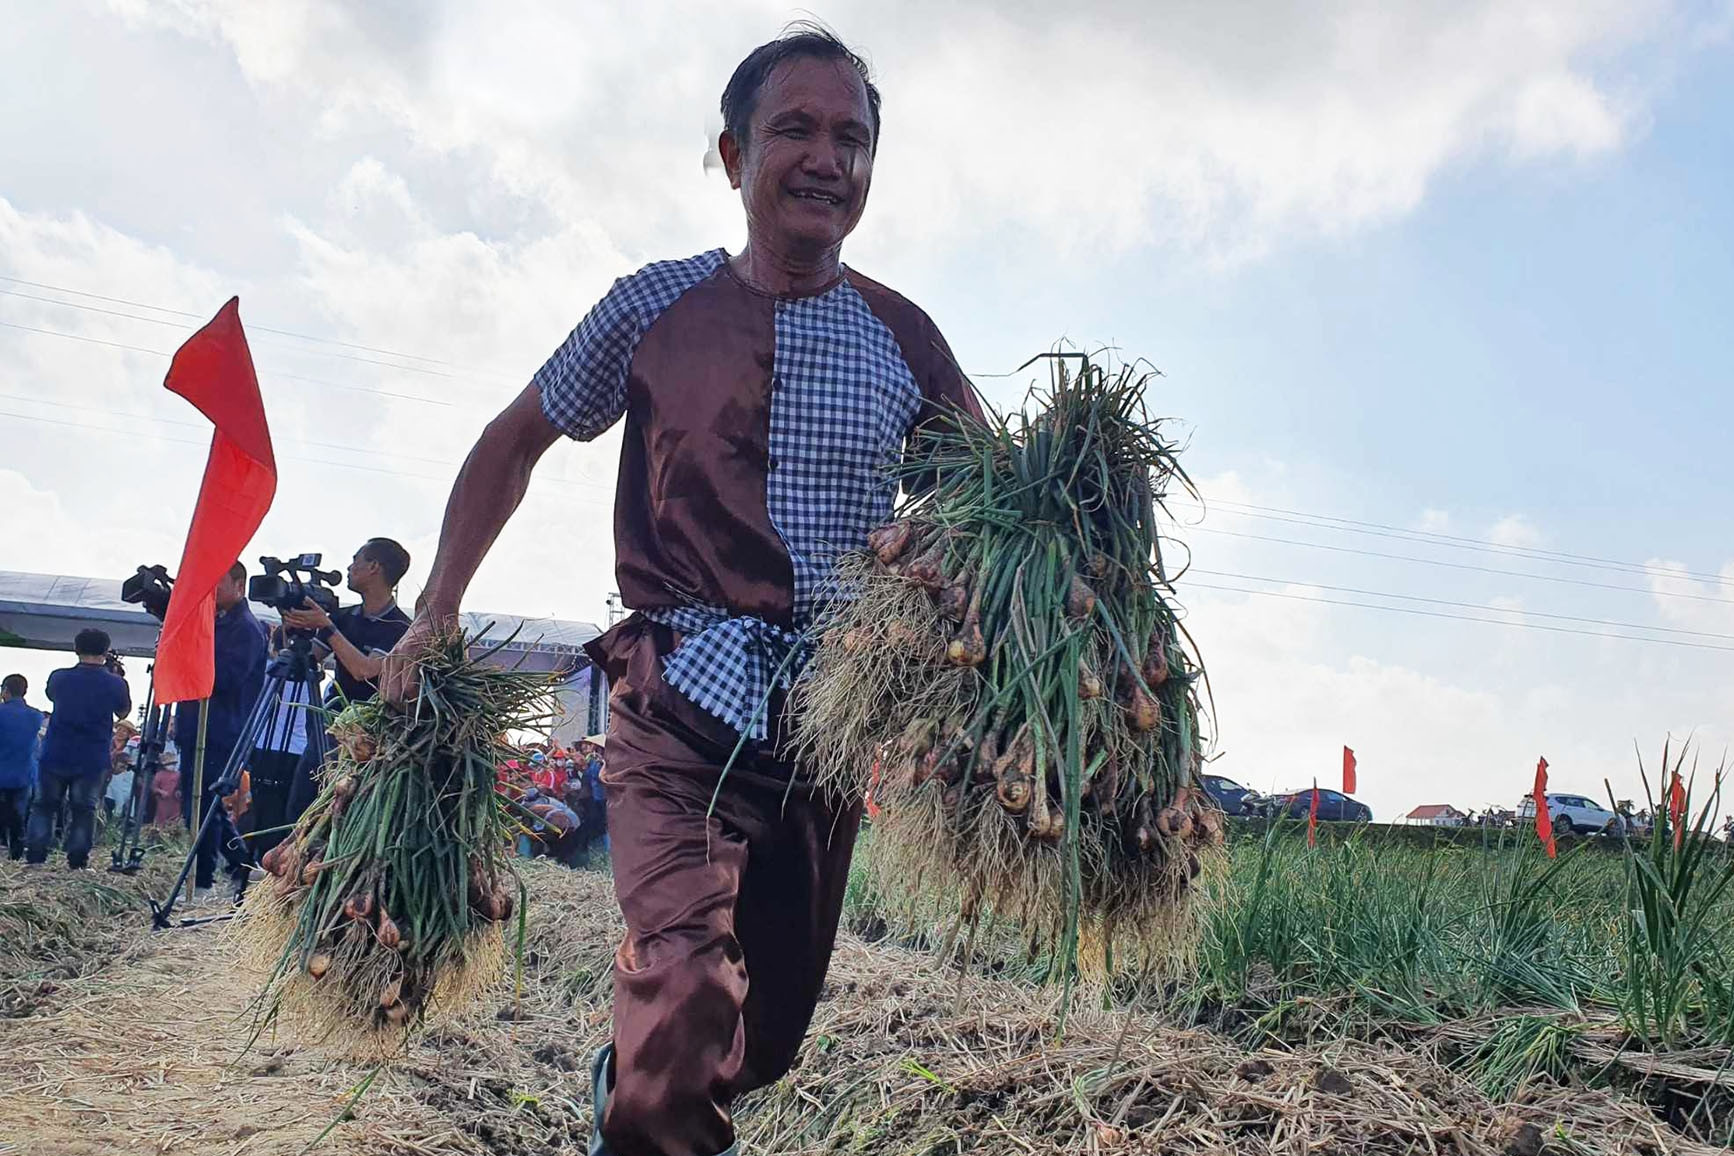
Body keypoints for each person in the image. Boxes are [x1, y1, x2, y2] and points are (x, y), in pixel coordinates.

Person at [383, 27, 981, 1156]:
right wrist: (437, 604)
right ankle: (649, 1094)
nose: (825, 159)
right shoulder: (656, 307)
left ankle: (638, 1082)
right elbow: (515, 440)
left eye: (851, 138)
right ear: (731, 154)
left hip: (824, 728)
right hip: (674, 708)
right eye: (794, 129)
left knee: (763, 1038)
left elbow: (984, 511)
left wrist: (951, 548)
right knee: (688, 982)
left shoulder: (905, 339)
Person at [281, 538, 412, 819]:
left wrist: (326, 626)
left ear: (374, 567)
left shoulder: (400, 628)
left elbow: (364, 670)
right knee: (299, 808)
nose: (350, 568)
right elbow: (306, 660)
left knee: (337, 816)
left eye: (356, 560)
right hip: (327, 727)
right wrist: (292, 625)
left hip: (366, 741)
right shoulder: (344, 617)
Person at [174, 561, 268, 898]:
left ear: (239, 584)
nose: (210, 590)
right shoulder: (215, 622)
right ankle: (239, 865)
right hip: (196, 725)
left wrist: (194, 657)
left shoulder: (246, 628)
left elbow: (226, 678)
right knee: (201, 807)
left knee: (203, 808)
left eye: (218, 582)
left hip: (221, 728)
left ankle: (204, 880)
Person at [27, 629, 132, 868]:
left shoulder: (59, 677)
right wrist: (114, 675)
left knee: (44, 806)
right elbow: (123, 712)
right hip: (91, 756)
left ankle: (35, 857)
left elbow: (52, 696)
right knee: (84, 809)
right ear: (105, 652)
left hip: (56, 752)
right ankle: (76, 861)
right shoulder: (115, 682)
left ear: (76, 649)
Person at [0, 674, 44, 859]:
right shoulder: (36, 716)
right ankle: (16, 852)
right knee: (19, 814)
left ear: (6, 690)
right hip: (24, 773)